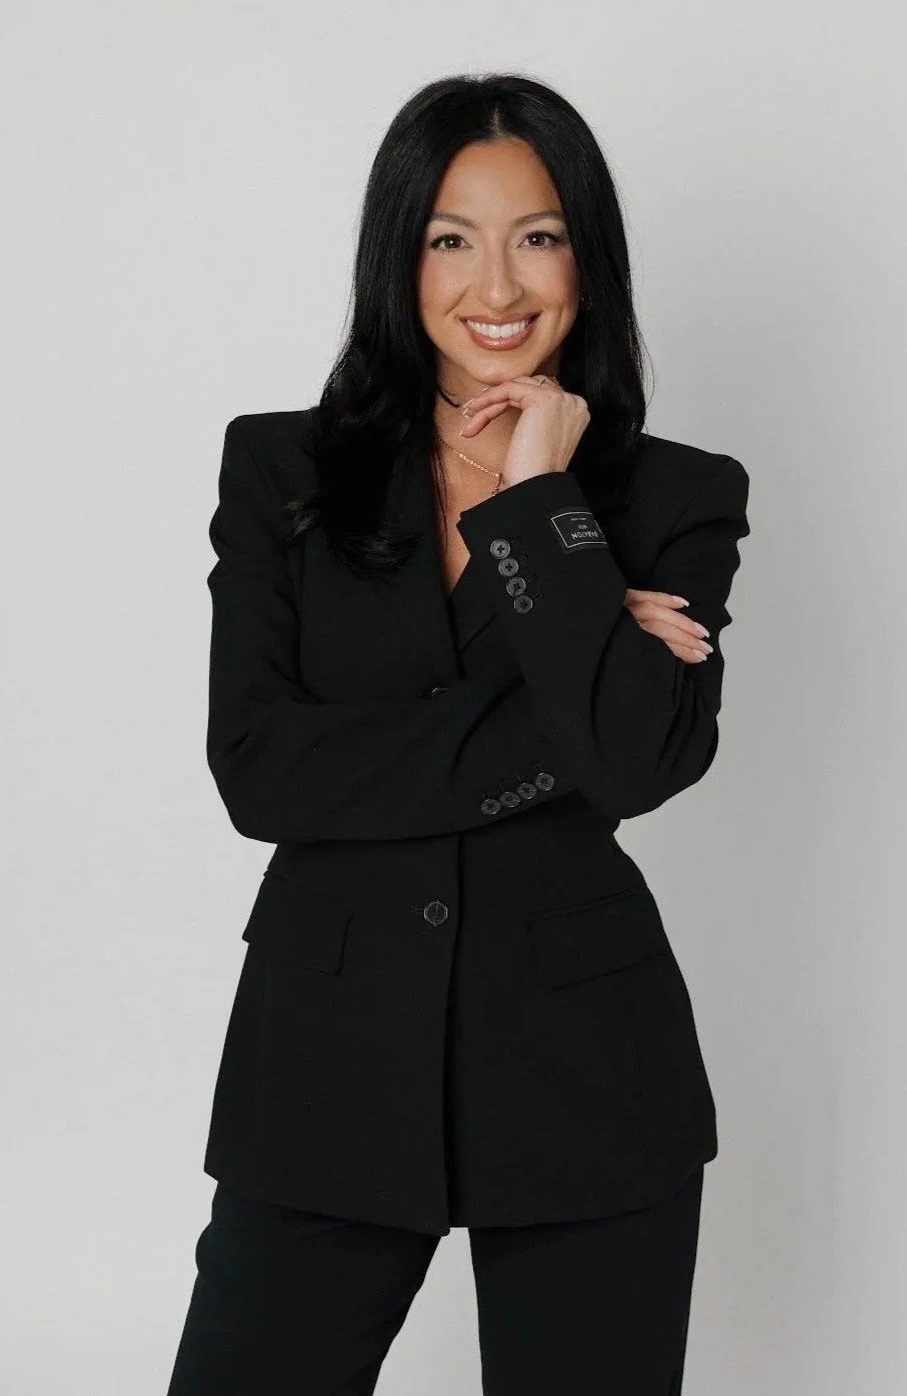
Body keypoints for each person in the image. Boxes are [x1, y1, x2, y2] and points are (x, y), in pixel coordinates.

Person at [166, 70, 750, 1396]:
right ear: (400, 259)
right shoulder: (282, 471)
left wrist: (542, 506)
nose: (497, 283)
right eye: (450, 238)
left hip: (588, 1078)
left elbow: (638, 763)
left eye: (538, 235)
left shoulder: (673, 496)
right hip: (322, 1065)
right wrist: (581, 657)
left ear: (587, 260)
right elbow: (260, 772)